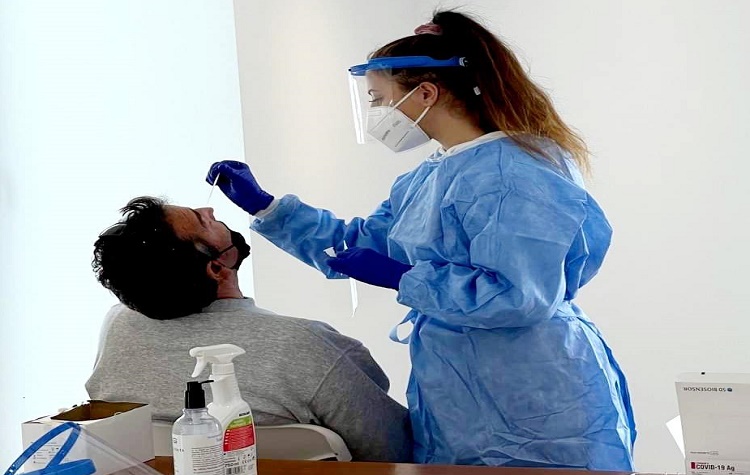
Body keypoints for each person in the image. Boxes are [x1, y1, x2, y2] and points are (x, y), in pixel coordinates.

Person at [206, 10, 636, 470]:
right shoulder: (431, 175)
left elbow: (519, 296)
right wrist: (268, 208)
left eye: (379, 98)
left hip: (536, 395)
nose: (376, 113)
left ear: (426, 93)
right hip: (459, 391)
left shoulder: (516, 174)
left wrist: (406, 278)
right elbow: (359, 246)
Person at [86, 196, 412, 462]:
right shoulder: (304, 345)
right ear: (217, 268)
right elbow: (392, 450)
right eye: (202, 221)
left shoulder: (118, 326)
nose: (209, 209)